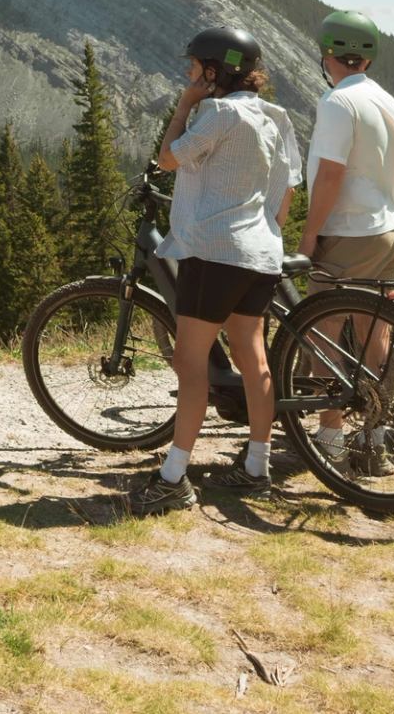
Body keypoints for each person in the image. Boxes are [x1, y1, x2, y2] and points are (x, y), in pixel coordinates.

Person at [134, 26, 302, 514]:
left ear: (214, 71)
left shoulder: (217, 112)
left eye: (194, 68)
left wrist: (185, 105)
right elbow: (287, 191)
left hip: (215, 251)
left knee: (191, 363)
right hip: (260, 252)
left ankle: (173, 477)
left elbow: (167, 159)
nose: (188, 74)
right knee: (254, 357)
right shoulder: (273, 116)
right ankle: (256, 466)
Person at [297, 10, 394, 475]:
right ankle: (374, 439)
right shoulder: (385, 99)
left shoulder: (337, 102)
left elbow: (330, 175)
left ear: (327, 54)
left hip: (350, 230)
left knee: (323, 332)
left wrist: (308, 238)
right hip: (391, 228)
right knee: (374, 334)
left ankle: (330, 438)